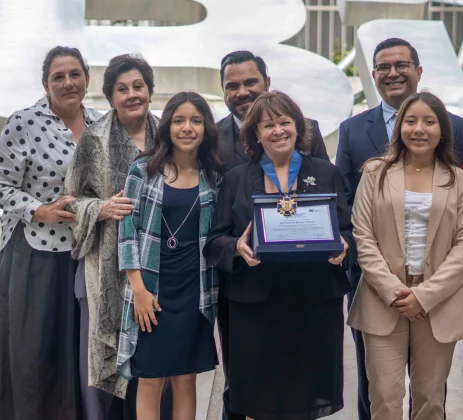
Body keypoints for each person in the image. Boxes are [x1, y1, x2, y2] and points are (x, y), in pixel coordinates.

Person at [335, 37, 463, 419]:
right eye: (411, 121)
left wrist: (425, 294)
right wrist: (396, 291)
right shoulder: (372, 168)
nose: (419, 129)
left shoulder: (456, 177)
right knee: (381, 396)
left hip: (437, 299)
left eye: (429, 121)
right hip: (382, 294)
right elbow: (358, 229)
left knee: (431, 399)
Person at [205, 91, 353, 419]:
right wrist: (237, 248)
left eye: (285, 122)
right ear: (255, 134)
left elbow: (347, 229)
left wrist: (343, 247)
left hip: (313, 304)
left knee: (305, 398)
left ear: (298, 128)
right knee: (261, 400)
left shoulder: (324, 173)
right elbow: (215, 240)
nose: (278, 130)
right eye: (268, 125)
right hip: (257, 308)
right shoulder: (236, 179)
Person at [0, 46, 101, 420]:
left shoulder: (102, 124)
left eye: (74, 74)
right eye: (58, 77)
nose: (68, 83)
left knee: (76, 354)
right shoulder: (24, 122)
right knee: (34, 354)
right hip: (34, 255)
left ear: (87, 77)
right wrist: (40, 210)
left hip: (85, 255)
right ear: (45, 84)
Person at [116, 92, 223, 420]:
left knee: (185, 377)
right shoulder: (143, 169)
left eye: (195, 120)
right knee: (150, 377)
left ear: (206, 127)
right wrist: (138, 289)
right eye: (179, 120)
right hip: (152, 289)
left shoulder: (214, 176)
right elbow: (127, 231)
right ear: (167, 127)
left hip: (195, 291)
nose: (187, 128)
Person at [64, 53, 159, 419]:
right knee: (102, 374)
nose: (132, 94)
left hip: (156, 270)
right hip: (103, 271)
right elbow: (70, 200)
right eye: (122, 89)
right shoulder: (94, 140)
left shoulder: (167, 134)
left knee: (153, 369)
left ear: (150, 90)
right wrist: (100, 208)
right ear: (110, 97)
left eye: (138, 86)